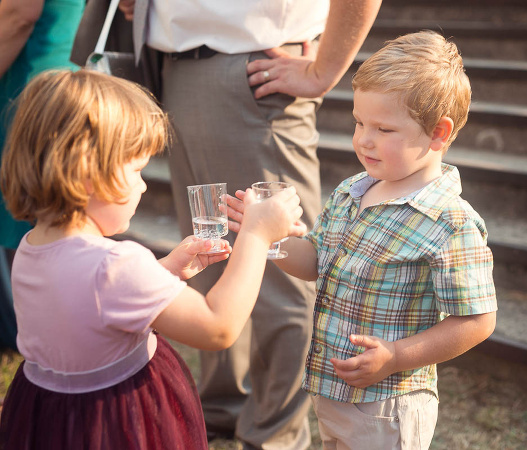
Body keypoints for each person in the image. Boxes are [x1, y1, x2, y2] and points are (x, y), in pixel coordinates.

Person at [72, 1, 382, 448]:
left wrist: (325, 69)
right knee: (210, 251)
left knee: (281, 265)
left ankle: (275, 433)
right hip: (175, 63)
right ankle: (224, 409)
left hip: (254, 68)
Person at [0, 69, 307, 449]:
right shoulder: (116, 264)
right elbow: (217, 327)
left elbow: (90, 307)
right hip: (119, 423)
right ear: (87, 175)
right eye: (136, 170)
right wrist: (257, 237)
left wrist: (164, 272)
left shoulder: (31, 247)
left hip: (49, 420)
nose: (144, 184)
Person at [227, 30, 498, 449]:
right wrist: (265, 235)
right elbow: (316, 261)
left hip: (388, 403)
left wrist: (395, 356)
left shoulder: (450, 222)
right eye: (359, 122)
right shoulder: (353, 190)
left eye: (384, 129)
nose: (364, 139)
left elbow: (478, 321)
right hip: (333, 391)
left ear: (438, 134)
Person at [0, 0, 84, 351]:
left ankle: (46, 346)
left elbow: (19, 12)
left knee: (32, 223)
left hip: (31, 83)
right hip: (45, 78)